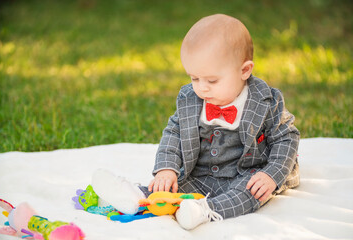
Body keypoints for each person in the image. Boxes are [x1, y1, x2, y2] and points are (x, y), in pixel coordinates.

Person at [92, 13, 300, 230]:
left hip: (247, 173)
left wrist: (271, 175)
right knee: (172, 187)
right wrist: (167, 169)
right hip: (201, 172)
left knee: (251, 193)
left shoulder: (266, 101)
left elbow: (287, 138)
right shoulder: (190, 99)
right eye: (194, 78)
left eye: (212, 80)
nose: (201, 87)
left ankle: (204, 210)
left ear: (244, 70)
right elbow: (174, 132)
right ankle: (134, 196)